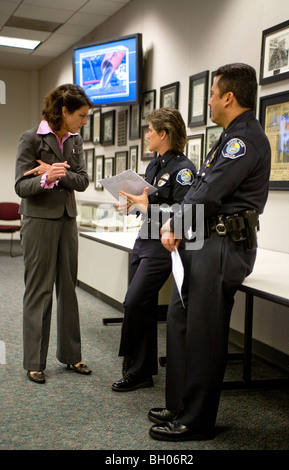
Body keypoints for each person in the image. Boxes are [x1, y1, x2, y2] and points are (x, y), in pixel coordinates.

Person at [148, 63, 271, 441]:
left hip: (224, 245)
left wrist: (174, 224)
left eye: (212, 95)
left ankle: (196, 421)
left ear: (229, 97)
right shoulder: (229, 136)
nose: (210, 101)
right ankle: (180, 403)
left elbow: (211, 191)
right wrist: (179, 226)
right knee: (182, 322)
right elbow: (203, 190)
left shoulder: (244, 140)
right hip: (205, 240)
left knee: (204, 333)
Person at [111, 107, 196, 392]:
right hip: (143, 240)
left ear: (163, 133)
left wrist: (149, 207)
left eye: (150, 130)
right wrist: (131, 205)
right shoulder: (154, 166)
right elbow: (147, 206)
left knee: (133, 302)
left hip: (162, 246)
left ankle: (135, 369)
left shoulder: (183, 170)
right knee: (142, 305)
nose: (147, 134)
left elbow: (188, 214)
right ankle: (141, 372)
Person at [15, 84, 93, 384]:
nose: (84, 122)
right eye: (81, 116)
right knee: (39, 290)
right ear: (64, 111)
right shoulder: (31, 137)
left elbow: (83, 180)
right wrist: (46, 178)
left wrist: (57, 174)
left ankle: (72, 356)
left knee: (68, 289)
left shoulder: (75, 140)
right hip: (38, 220)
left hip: (66, 220)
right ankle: (34, 362)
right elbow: (21, 186)